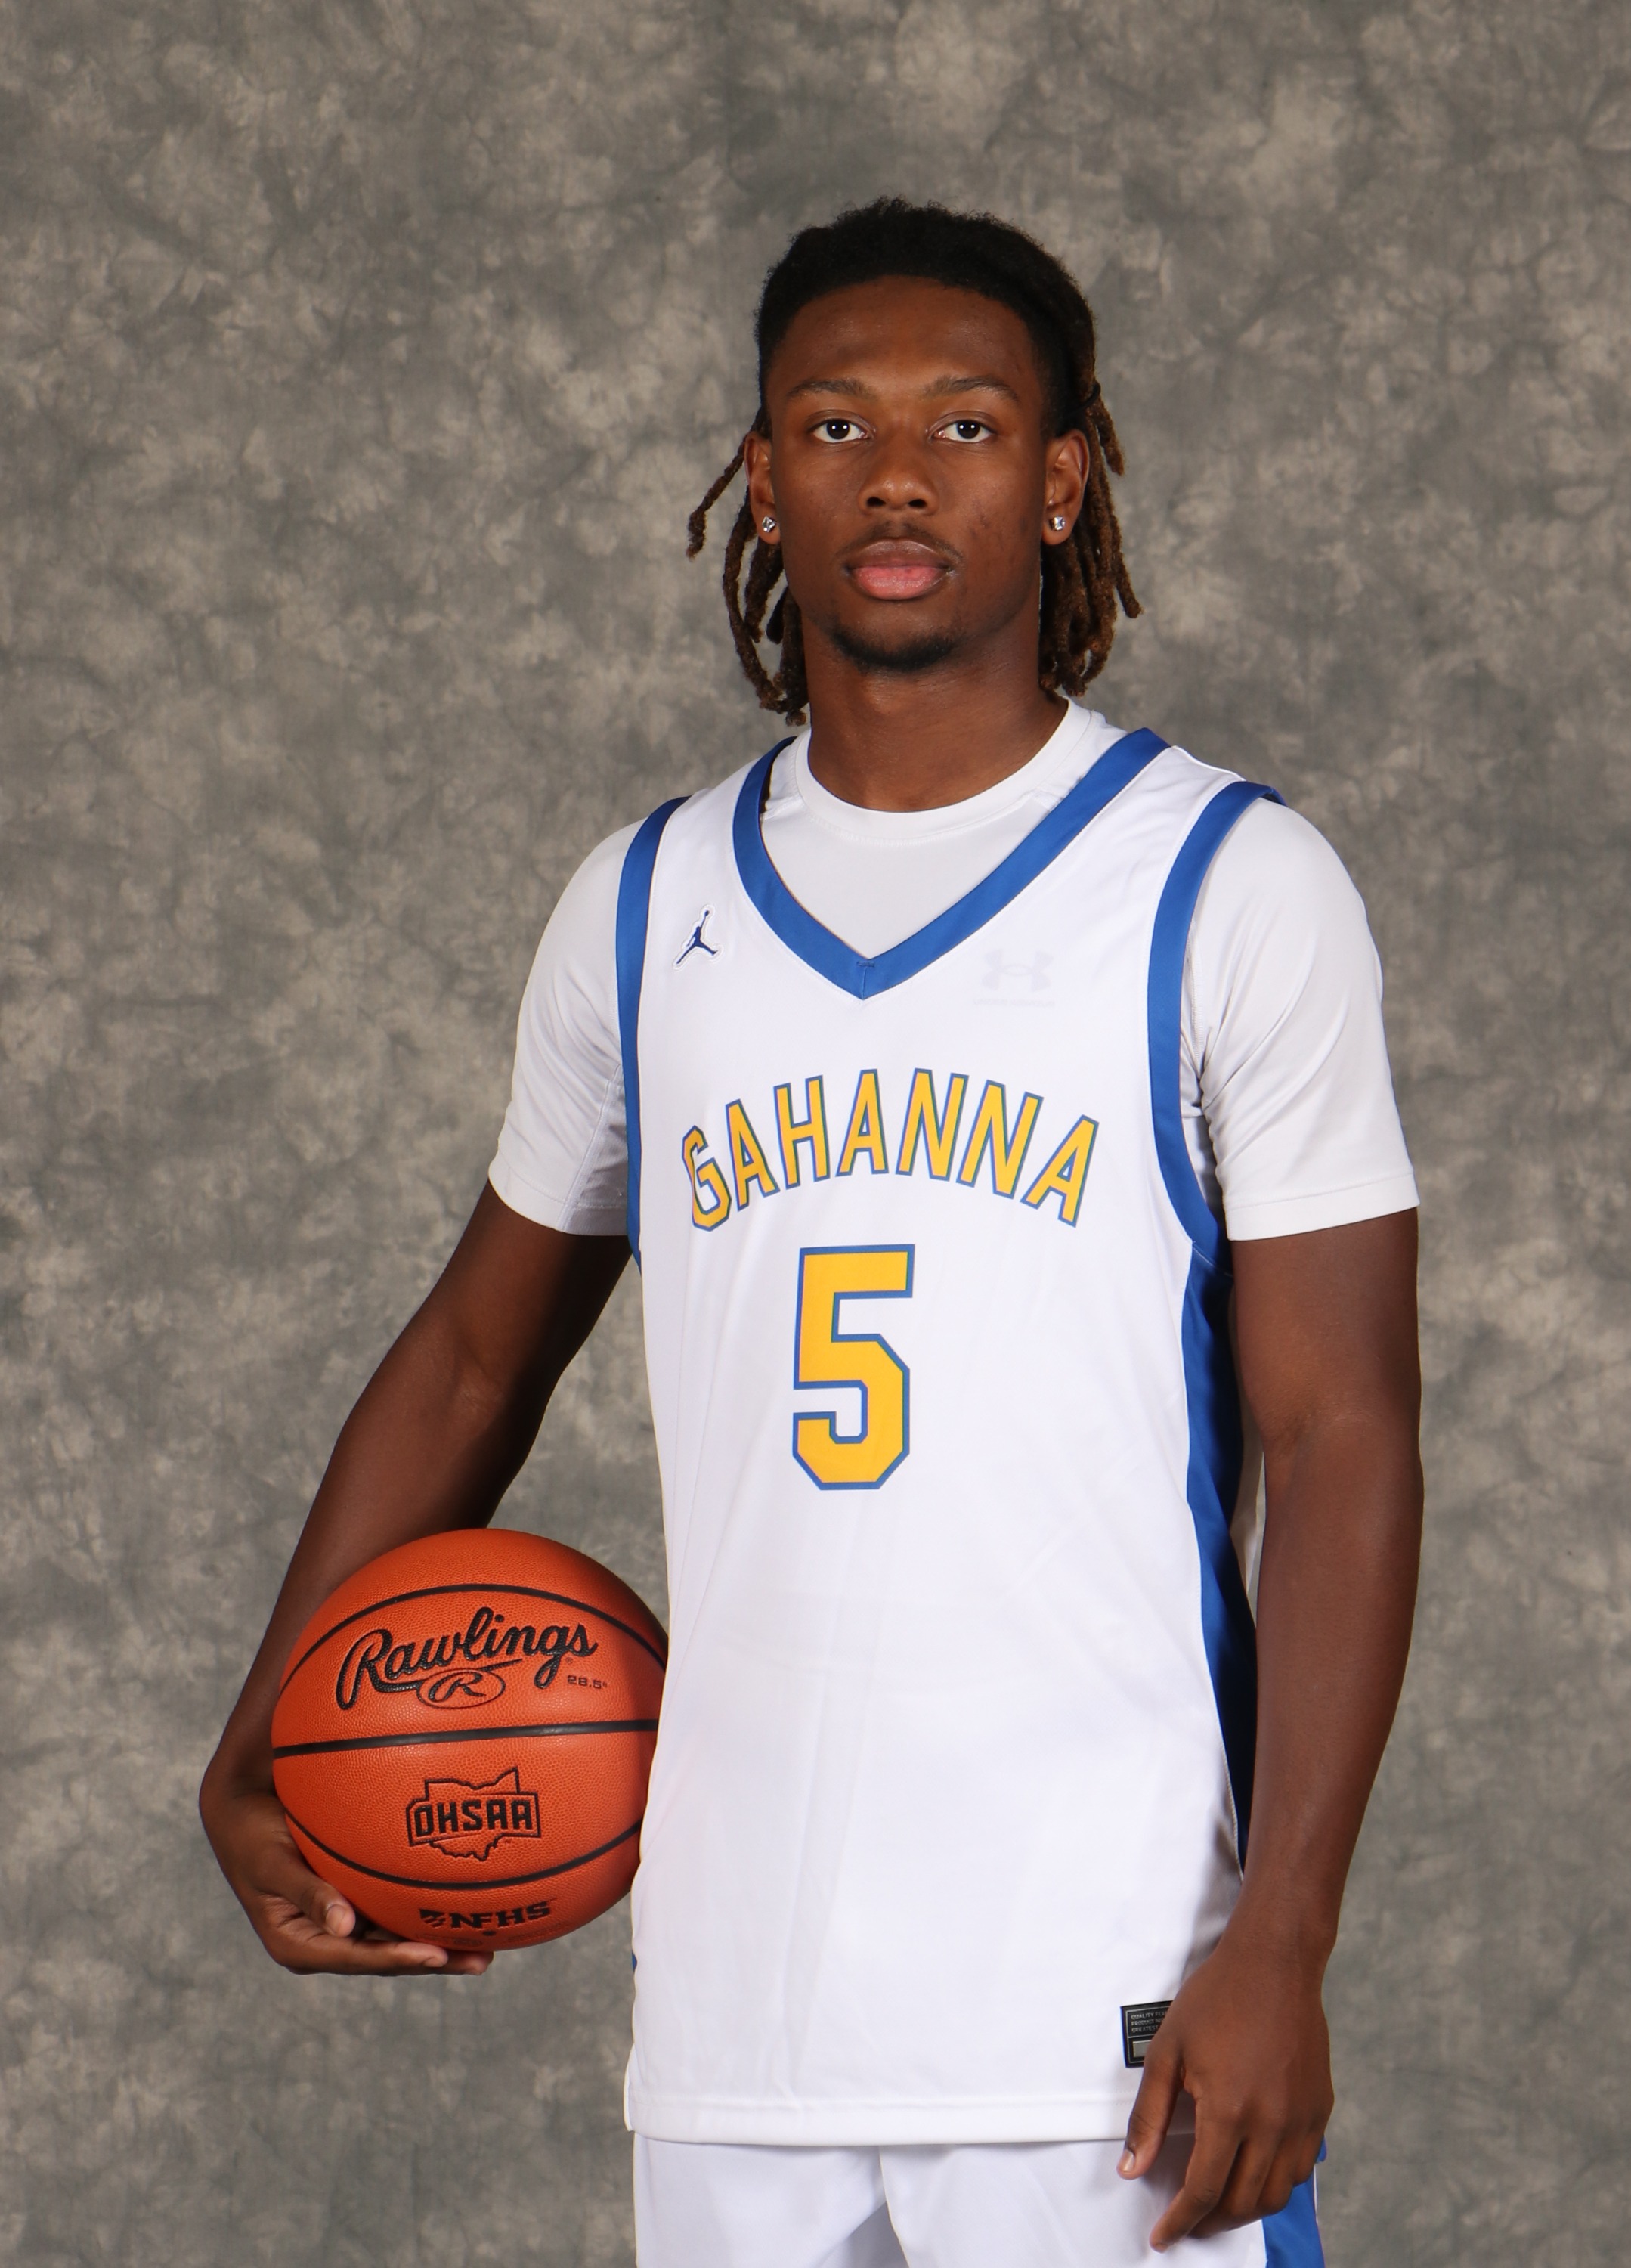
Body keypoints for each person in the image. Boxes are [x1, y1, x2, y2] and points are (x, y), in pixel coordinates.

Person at [200, 199, 1423, 2266]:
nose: (899, 474)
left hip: (1111, 2005)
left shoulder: (1224, 882)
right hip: (737, 2014)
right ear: (762, 480)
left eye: (968, 423)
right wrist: (257, 1745)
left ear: (1063, 481)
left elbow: (1342, 1438)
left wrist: (1285, 1936)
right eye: (836, 424)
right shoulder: (643, 904)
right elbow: (477, 1356)